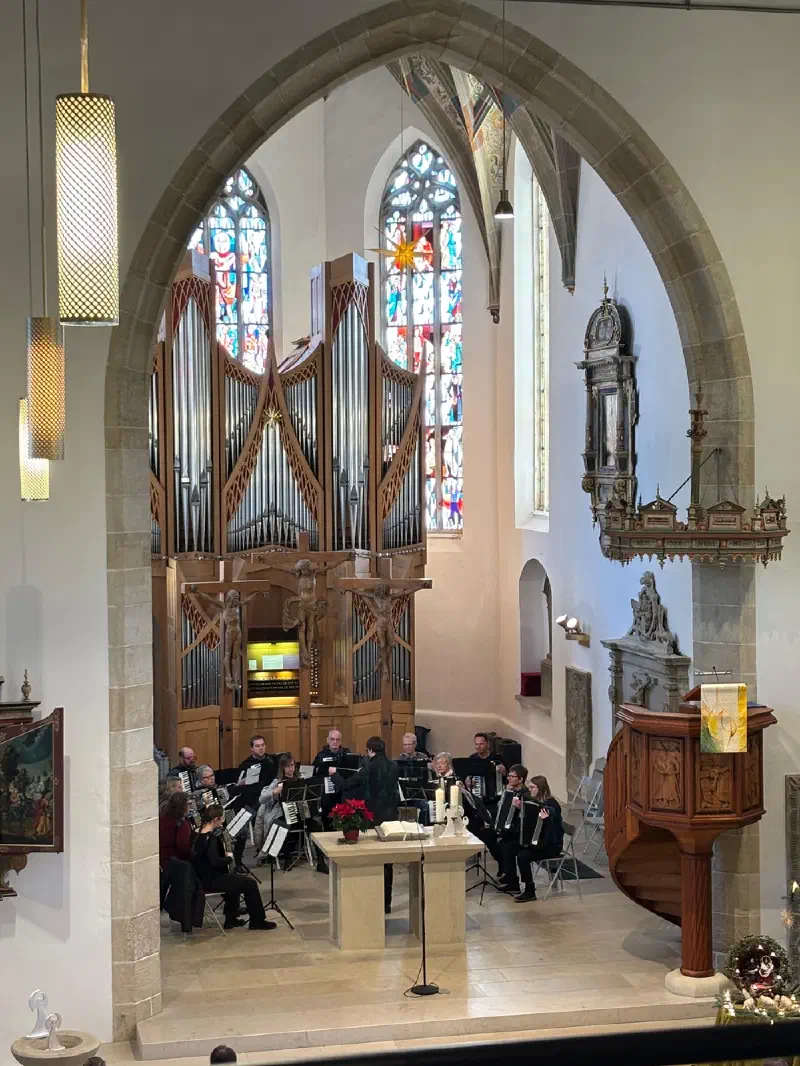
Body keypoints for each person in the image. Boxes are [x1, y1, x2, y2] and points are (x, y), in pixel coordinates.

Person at [329, 736, 398, 913]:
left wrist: (333, 774)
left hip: (373, 817)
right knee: (387, 863)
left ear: (370, 751)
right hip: (391, 818)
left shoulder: (368, 767)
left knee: (372, 858)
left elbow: (345, 785)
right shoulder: (394, 766)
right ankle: (386, 903)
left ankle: (373, 899)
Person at [192, 803, 276, 931]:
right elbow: (215, 862)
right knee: (250, 884)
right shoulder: (211, 838)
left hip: (199, 877)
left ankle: (231, 920)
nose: (223, 821)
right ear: (215, 819)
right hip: (211, 880)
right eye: (222, 818)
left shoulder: (196, 832)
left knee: (235, 881)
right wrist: (229, 858)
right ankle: (257, 921)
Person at [474, 764, 530, 894]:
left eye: (512, 776)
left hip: (520, 832)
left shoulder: (525, 794)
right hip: (510, 830)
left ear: (521, 779)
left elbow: (524, 817)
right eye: (509, 776)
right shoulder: (511, 791)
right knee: (488, 836)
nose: (509, 778)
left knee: (506, 846)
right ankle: (507, 873)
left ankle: (513, 881)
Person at [514, 775, 564, 903]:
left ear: (540, 788)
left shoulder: (551, 804)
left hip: (552, 845)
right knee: (513, 847)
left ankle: (530, 891)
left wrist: (547, 818)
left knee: (523, 856)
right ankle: (512, 881)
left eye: (532, 787)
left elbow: (554, 825)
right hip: (539, 842)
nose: (529, 790)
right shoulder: (535, 803)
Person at [231, 735, 273, 872]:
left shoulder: (271, 760)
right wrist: (242, 782)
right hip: (252, 801)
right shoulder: (246, 765)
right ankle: (256, 851)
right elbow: (238, 786)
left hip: (270, 798)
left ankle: (271, 852)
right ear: (252, 749)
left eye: (262, 745)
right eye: (257, 746)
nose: (261, 748)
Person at [159, 790, 194, 869]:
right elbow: (184, 847)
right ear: (182, 805)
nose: (190, 806)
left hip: (163, 859)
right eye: (189, 804)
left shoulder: (163, 817)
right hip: (178, 862)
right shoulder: (182, 824)